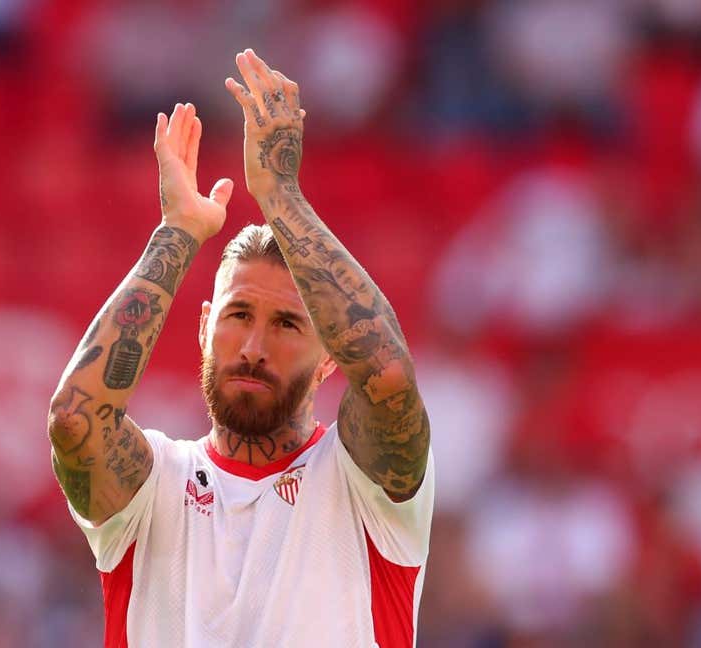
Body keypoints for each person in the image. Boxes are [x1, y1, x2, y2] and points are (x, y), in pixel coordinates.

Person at [47, 49, 434, 647]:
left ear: (330, 354)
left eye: (286, 324)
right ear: (204, 327)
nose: (254, 346)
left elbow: (384, 374)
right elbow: (74, 419)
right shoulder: (152, 489)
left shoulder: (363, 484)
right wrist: (177, 232)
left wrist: (281, 196)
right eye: (238, 316)